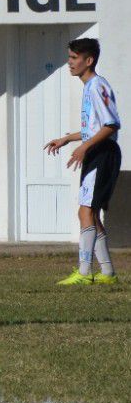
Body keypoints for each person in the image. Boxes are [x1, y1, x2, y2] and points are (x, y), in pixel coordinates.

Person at [45, 38, 121, 285]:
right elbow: (94, 127)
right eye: (69, 57)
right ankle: (107, 272)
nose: (70, 63)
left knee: (86, 210)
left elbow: (111, 125)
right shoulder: (90, 86)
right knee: (89, 212)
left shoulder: (97, 85)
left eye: (74, 58)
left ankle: (85, 271)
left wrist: (84, 147)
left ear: (88, 61)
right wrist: (68, 138)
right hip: (96, 151)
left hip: (103, 153)